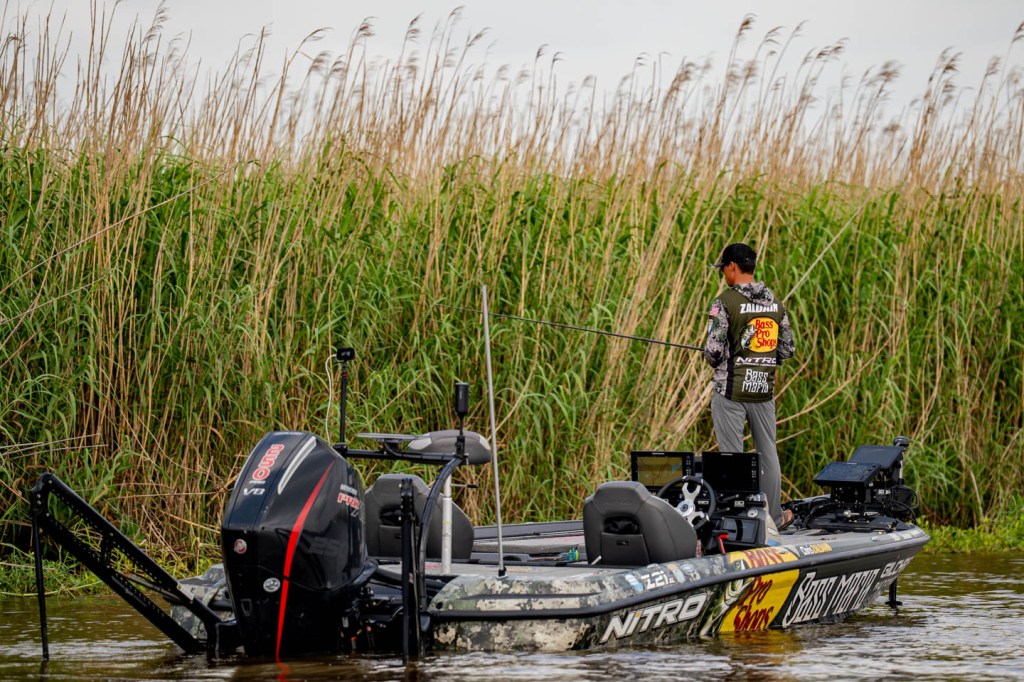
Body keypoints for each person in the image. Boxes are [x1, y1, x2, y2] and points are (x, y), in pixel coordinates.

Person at [704, 243, 795, 527]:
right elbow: (787, 350)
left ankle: (740, 522)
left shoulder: (723, 302)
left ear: (732, 267)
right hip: (763, 392)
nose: (723, 274)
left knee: (733, 458)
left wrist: (719, 354)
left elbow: (713, 353)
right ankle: (774, 518)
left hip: (729, 392)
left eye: (723, 269)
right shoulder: (775, 304)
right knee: (768, 455)